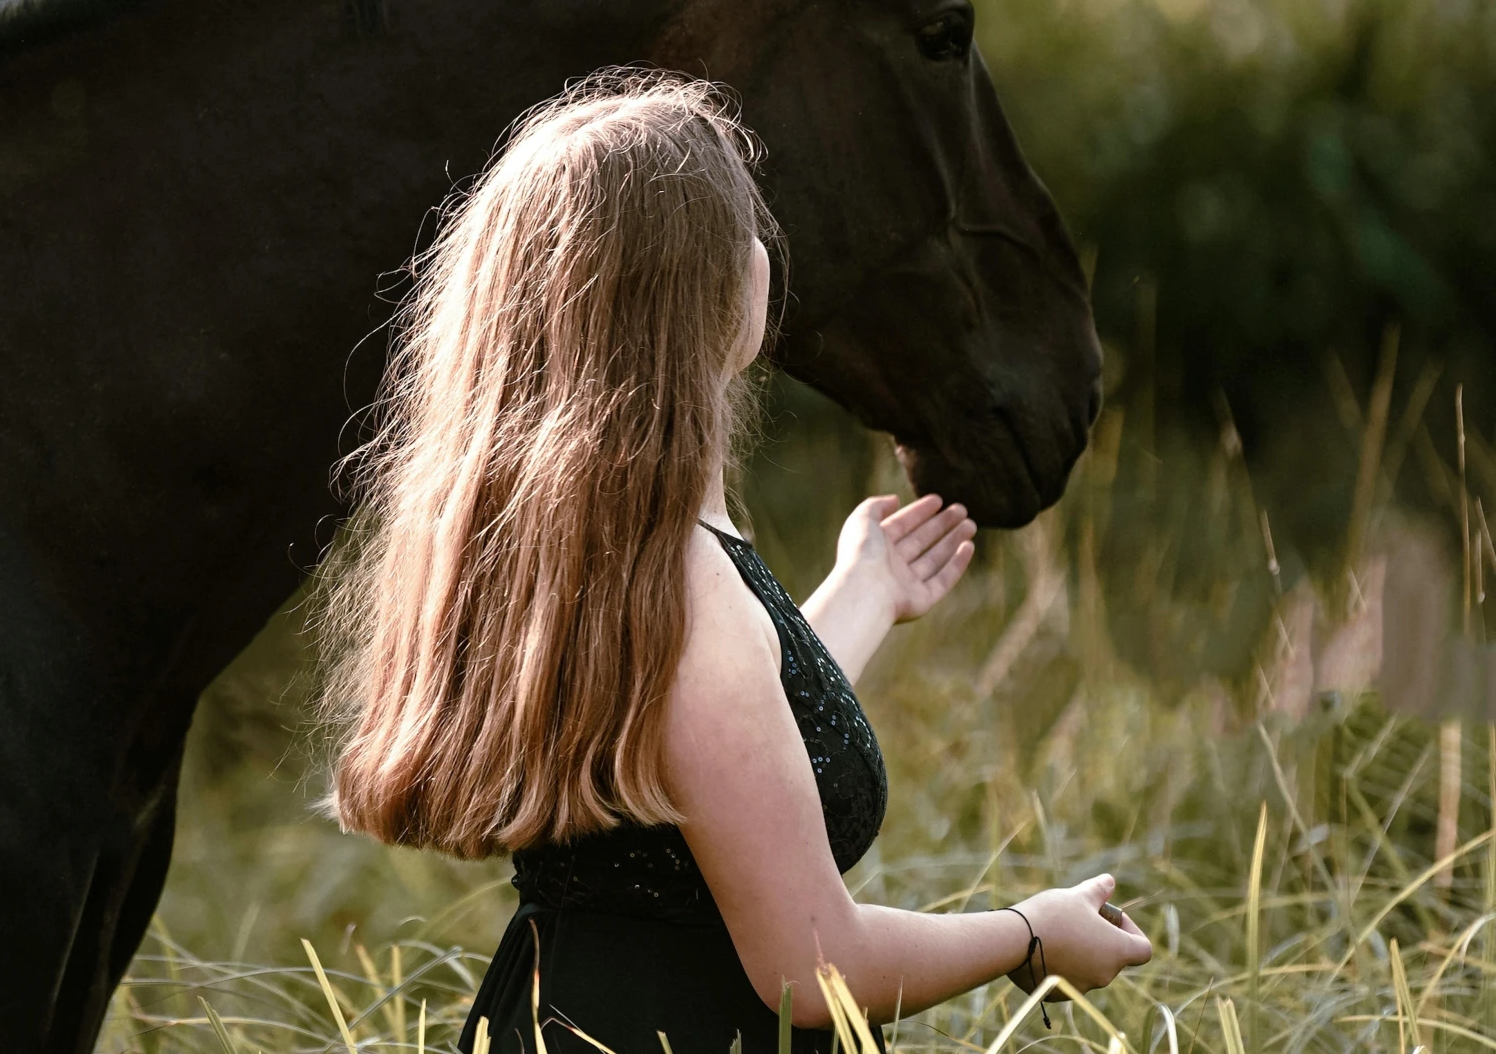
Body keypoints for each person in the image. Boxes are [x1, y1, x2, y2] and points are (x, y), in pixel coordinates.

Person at [319, 73, 1150, 1053]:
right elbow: (814, 967)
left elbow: (710, 756)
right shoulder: (682, 587)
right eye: (746, 233)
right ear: (720, 291)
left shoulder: (583, 549)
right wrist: (1028, 936)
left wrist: (863, 592)